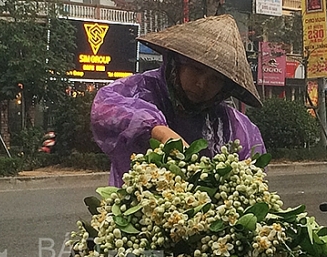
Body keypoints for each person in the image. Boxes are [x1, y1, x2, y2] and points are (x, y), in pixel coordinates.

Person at [90, 15, 266, 187]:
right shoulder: (143, 89)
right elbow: (106, 107)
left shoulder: (235, 127)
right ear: (177, 63)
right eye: (196, 70)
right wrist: (158, 131)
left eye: (215, 79)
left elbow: (253, 176)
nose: (201, 84)